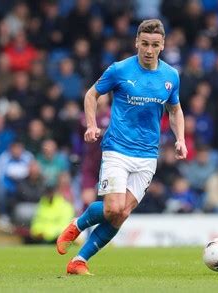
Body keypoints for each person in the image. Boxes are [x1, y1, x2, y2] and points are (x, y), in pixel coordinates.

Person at [56, 19, 187, 275]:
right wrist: (91, 125)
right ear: (137, 42)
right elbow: (91, 94)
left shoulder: (171, 76)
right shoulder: (120, 69)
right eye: (145, 43)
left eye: (155, 45)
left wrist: (180, 138)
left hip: (148, 154)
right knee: (112, 208)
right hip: (117, 148)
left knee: (122, 213)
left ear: (162, 46)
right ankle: (77, 225)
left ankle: (78, 261)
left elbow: (175, 110)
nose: (149, 50)